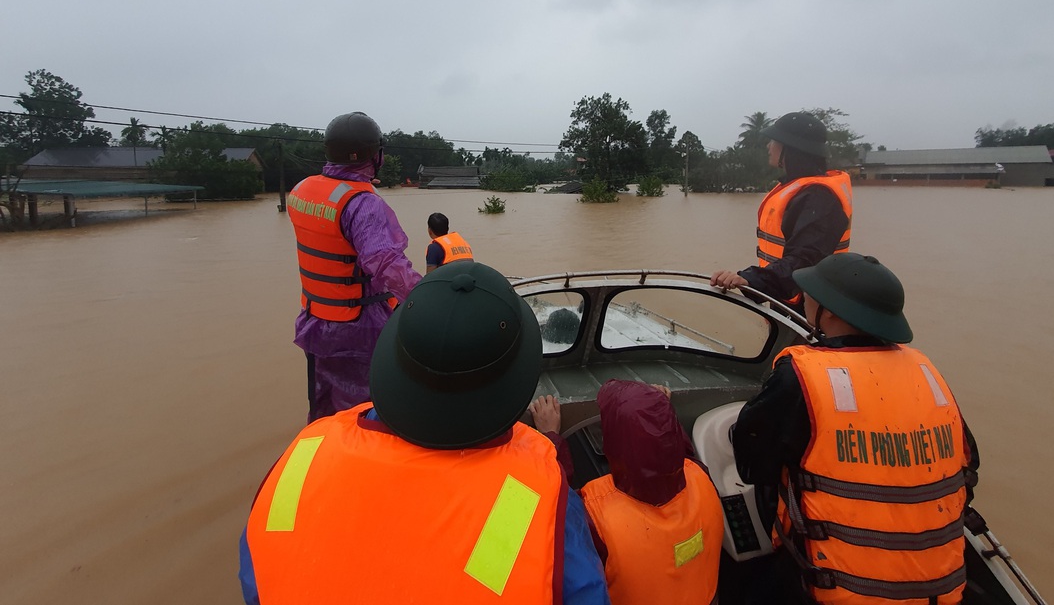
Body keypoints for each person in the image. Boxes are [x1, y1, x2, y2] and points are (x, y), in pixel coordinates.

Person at [239, 261, 610, 605]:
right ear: (515, 380)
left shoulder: (304, 454)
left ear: (393, 353)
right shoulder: (536, 487)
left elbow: (256, 575)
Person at [731, 253, 979, 605]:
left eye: (809, 292)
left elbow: (752, 463)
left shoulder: (802, 375)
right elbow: (968, 467)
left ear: (829, 312)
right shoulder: (927, 372)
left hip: (839, 589)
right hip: (940, 588)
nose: (803, 298)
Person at [530, 380, 724, 605]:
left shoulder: (593, 514)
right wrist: (659, 415)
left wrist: (550, 436)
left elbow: (558, 500)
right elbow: (678, 452)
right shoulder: (700, 474)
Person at [287, 111, 421, 422]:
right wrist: (428, 295)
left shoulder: (303, 189)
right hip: (359, 329)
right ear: (376, 156)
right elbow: (387, 264)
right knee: (363, 414)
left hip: (316, 321)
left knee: (325, 406)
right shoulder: (363, 204)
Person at [711, 111, 852, 311]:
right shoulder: (801, 189)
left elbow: (805, 259)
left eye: (774, 141)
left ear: (791, 148)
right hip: (789, 294)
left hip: (813, 308)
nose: (769, 146)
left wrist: (750, 279)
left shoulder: (818, 197)